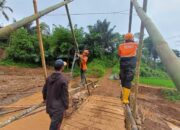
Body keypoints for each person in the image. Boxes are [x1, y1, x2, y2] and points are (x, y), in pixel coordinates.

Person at [42, 59, 69, 130]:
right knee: (54, 126)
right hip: (58, 109)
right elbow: (65, 96)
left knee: (55, 123)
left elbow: (44, 91)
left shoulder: (48, 78)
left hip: (49, 107)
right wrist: (66, 107)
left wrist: (45, 99)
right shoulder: (63, 80)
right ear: (62, 68)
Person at [118, 33, 138, 104]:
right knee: (128, 80)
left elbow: (119, 54)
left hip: (122, 65)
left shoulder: (121, 45)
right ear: (132, 38)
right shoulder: (135, 44)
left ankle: (123, 95)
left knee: (123, 79)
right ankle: (125, 99)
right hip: (131, 65)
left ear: (125, 39)